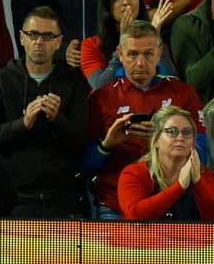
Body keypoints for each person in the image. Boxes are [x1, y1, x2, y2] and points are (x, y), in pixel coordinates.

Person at [83, 20, 206, 219]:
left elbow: (202, 154)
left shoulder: (184, 93)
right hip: (114, 205)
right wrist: (107, 145)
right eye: (132, 54)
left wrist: (165, 141)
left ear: (159, 53)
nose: (140, 63)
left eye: (148, 54)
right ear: (120, 54)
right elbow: (84, 166)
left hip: (172, 202)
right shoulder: (101, 98)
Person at [0, 7, 89, 217]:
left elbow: (81, 140)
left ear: (59, 42)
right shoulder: (1, 80)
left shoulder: (73, 81)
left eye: (47, 36)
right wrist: (24, 122)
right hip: (15, 196)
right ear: (21, 38)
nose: (39, 42)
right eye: (33, 35)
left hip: (62, 196)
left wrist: (57, 118)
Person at [118, 108, 214, 221]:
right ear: (156, 140)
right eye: (171, 131)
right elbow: (135, 216)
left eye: (187, 132)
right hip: (145, 238)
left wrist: (198, 182)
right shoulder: (134, 173)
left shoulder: (204, 175)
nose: (180, 138)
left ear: (193, 141)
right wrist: (179, 187)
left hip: (189, 238)